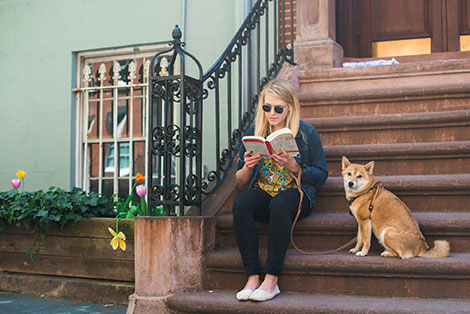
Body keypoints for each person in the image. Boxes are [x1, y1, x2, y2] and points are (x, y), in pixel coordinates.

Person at [233, 79, 328, 302]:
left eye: (278, 108)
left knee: (280, 202)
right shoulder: (254, 132)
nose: (271, 113)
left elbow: (321, 175)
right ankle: (252, 277)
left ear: (290, 107)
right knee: (241, 203)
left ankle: (272, 279)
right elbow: (240, 181)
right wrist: (248, 166)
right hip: (265, 192)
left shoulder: (306, 133)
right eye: (267, 107)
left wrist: (295, 167)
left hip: (296, 195)